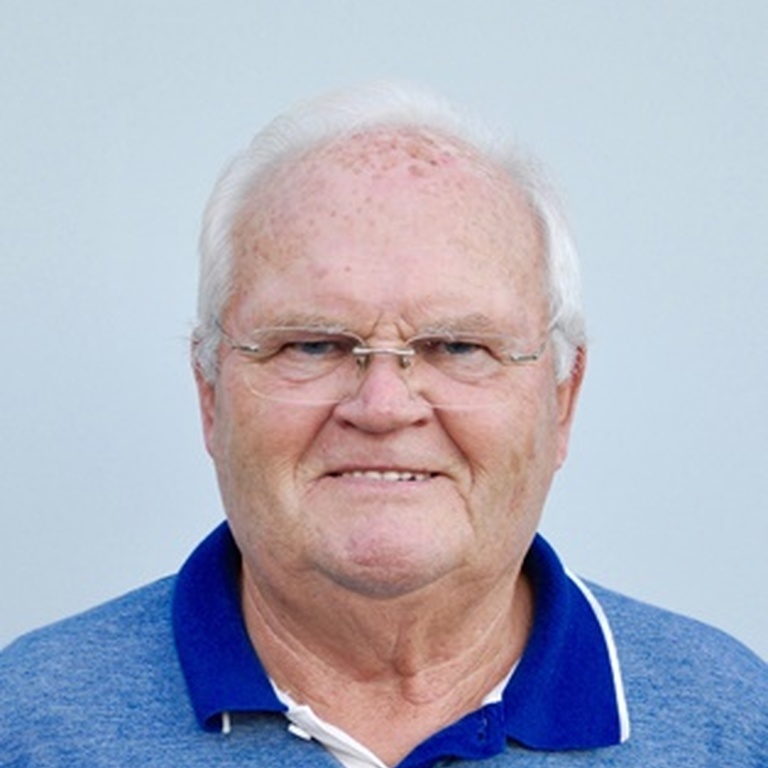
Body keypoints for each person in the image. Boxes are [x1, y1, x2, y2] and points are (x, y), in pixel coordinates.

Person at [1, 82, 765, 768]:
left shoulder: (734, 729)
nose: (384, 406)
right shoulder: (26, 728)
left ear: (561, 399)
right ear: (210, 392)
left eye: (458, 346)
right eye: (312, 345)